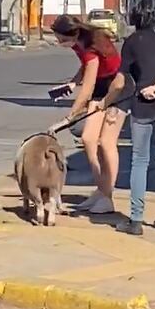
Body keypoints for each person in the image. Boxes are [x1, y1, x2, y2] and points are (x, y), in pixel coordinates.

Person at [101, 0, 155, 236]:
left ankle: (136, 220)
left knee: (140, 162)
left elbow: (120, 80)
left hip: (143, 107)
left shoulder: (133, 41)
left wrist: (106, 102)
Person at [49, 15, 127, 215]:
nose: (59, 43)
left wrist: (70, 116)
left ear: (71, 34)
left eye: (60, 39)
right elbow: (86, 70)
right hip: (101, 87)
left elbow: (88, 86)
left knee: (107, 142)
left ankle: (107, 195)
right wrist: (73, 82)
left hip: (116, 89)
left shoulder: (91, 46)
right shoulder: (79, 43)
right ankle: (101, 190)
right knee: (88, 138)